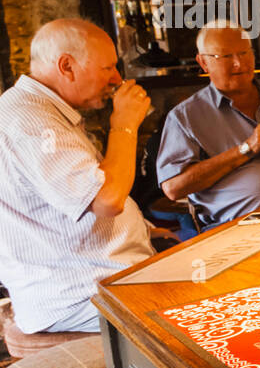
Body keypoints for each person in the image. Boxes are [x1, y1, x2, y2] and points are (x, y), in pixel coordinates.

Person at [0, 19, 154, 335]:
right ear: (67, 66)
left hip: (92, 281)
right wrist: (124, 124)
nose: (117, 78)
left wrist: (142, 227)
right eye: (107, 68)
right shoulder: (32, 119)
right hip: (79, 297)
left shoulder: (39, 109)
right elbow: (107, 200)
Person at [157, 23, 260, 229]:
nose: (239, 63)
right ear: (203, 62)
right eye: (225, 57)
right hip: (238, 231)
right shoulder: (185, 117)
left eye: (244, 53)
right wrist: (246, 148)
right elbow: (173, 188)